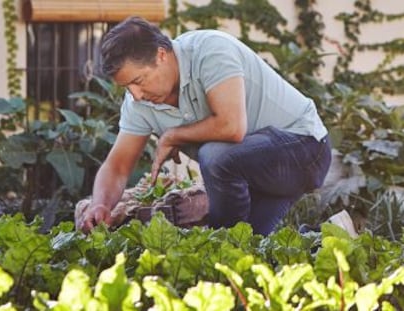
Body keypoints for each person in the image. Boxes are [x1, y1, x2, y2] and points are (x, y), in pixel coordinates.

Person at [80, 16, 332, 236]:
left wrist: (172, 136)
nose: (135, 95)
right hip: (252, 173)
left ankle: (218, 238)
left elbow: (232, 127)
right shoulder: (139, 102)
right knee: (246, 250)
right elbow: (118, 165)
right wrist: (101, 204)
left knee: (214, 157)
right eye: (127, 87)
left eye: (138, 80)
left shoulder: (210, 51)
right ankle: (333, 235)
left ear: (161, 55)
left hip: (304, 148)